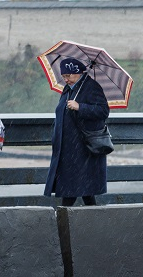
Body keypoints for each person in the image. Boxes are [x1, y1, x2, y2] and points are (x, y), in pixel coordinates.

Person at [44, 57, 110, 206]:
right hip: (68, 149)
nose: (66, 80)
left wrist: (81, 107)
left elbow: (103, 110)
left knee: (73, 189)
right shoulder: (68, 89)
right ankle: (92, 222)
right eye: (63, 76)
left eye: (68, 76)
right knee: (81, 189)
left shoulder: (91, 87)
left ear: (78, 73)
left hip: (83, 149)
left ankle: (61, 221)